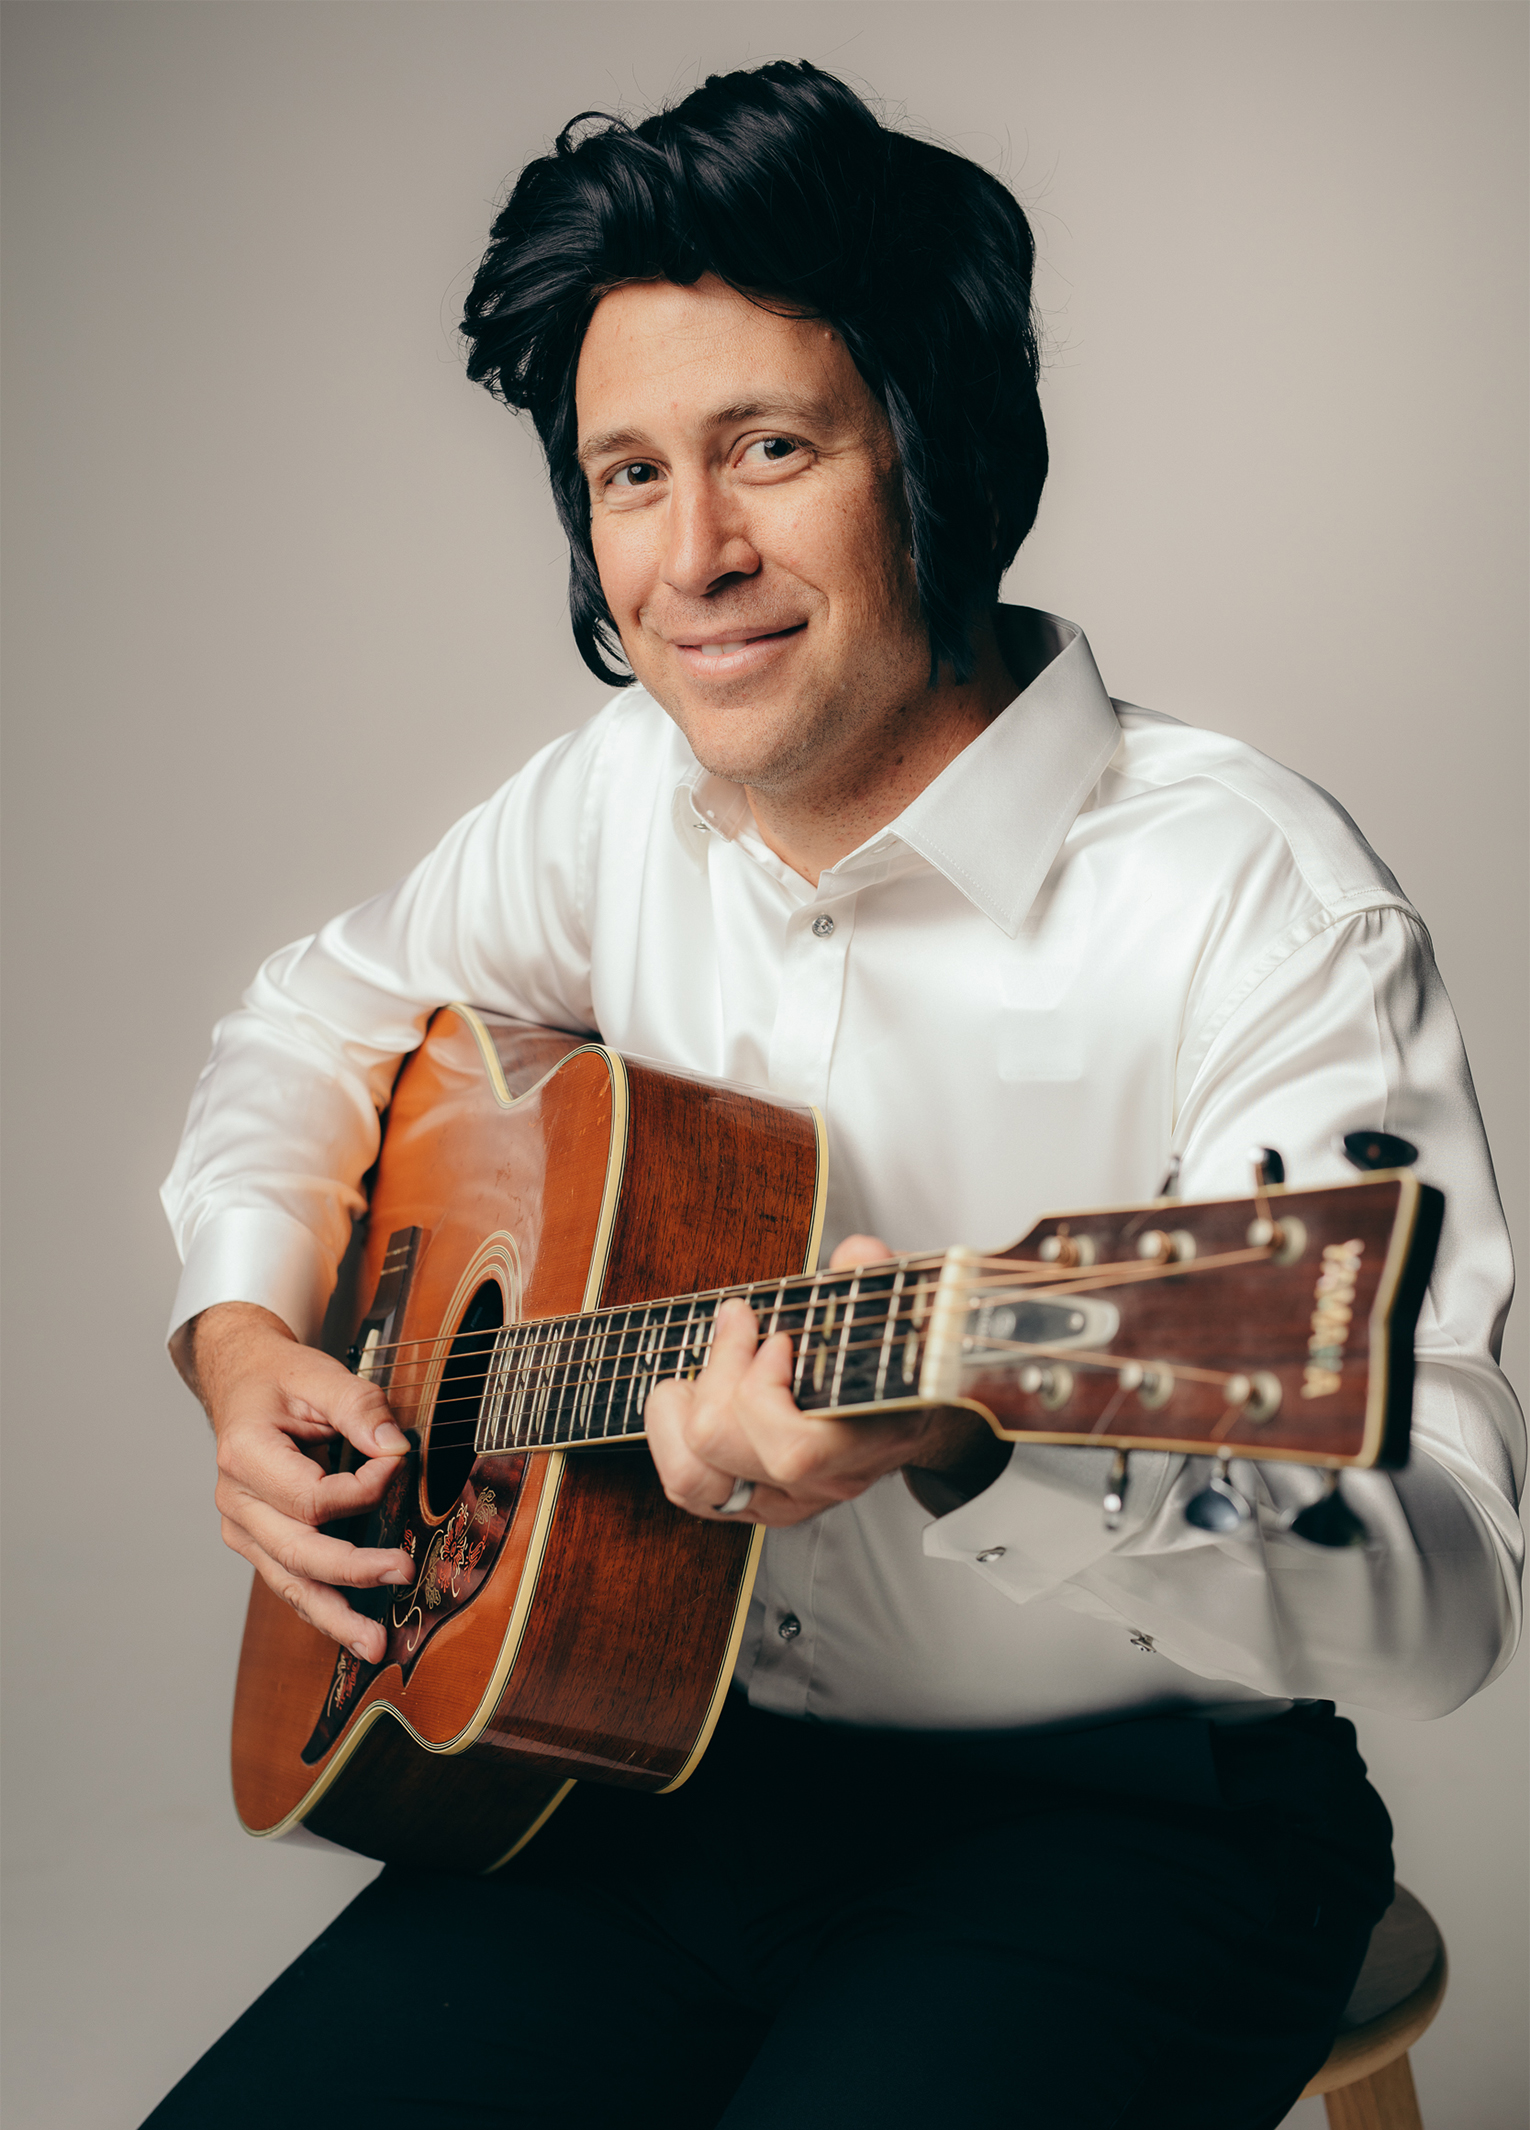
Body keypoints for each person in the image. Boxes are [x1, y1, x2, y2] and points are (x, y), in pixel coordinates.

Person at [147, 61, 1521, 2130]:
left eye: (767, 448)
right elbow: (309, 1023)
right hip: (663, 1777)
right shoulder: (616, 802)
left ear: (935, 455)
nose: (691, 555)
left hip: (1139, 1822)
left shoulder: (1261, 903)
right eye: (627, 476)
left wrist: (984, 1445)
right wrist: (247, 1332)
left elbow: (1437, 1600)